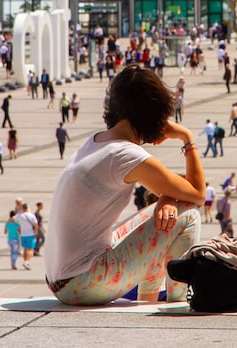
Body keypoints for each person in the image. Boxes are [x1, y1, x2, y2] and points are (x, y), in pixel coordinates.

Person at [44, 64, 205, 305]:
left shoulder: (95, 142)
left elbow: (176, 190)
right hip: (83, 282)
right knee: (189, 216)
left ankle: (148, 300)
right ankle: (179, 302)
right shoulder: (127, 155)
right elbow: (198, 194)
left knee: (165, 219)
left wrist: (168, 197)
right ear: (153, 112)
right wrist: (187, 138)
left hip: (62, 279)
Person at [16, 203, 39, 269]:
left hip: (23, 235)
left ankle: (25, 261)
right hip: (30, 234)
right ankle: (27, 262)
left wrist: (20, 232)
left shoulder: (20, 216)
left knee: (25, 249)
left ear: (23, 208)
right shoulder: (31, 216)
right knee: (31, 249)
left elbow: (17, 225)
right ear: (27, 208)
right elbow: (36, 225)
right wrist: (36, 233)